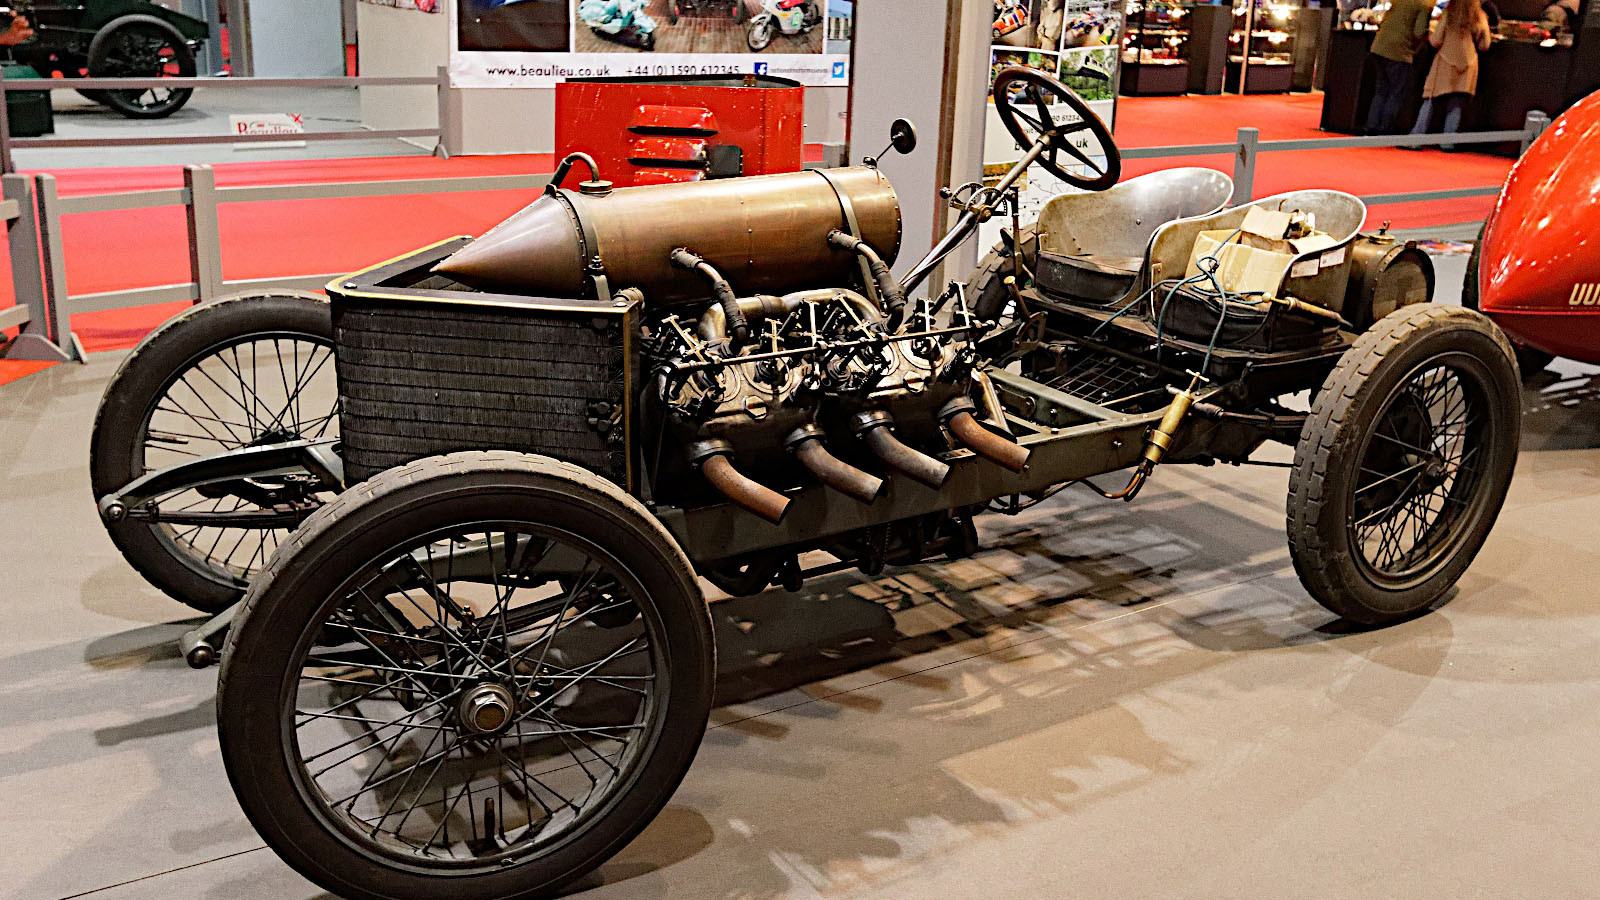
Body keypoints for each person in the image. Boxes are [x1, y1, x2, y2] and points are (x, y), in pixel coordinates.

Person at [1409, 0, 1493, 149]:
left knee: (1430, 98)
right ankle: (1448, 141)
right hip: (1468, 62)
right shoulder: (1479, 16)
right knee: (1456, 103)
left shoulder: (1449, 14)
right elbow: (1484, 45)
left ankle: (1416, 138)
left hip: (1445, 60)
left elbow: (1435, 41)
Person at [1365, 0, 1436, 134]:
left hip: (1379, 46)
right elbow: (1419, 32)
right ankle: (1385, 129)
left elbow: (1385, 20)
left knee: (1380, 91)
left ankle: (1371, 126)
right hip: (1399, 52)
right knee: (1395, 93)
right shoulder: (1424, 5)